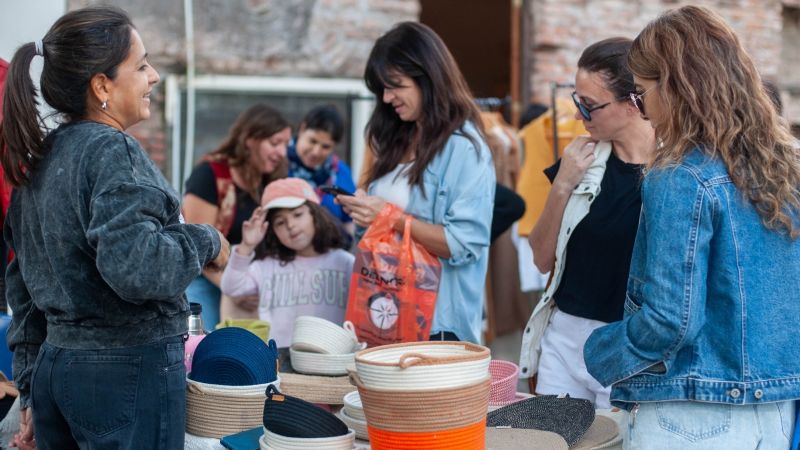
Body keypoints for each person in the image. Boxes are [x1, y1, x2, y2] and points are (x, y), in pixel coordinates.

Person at [0, 6, 229, 449]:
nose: (154, 76)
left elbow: (22, 288)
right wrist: (208, 239)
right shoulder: (112, 151)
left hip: (58, 372)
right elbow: (138, 269)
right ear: (102, 85)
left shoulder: (42, 159)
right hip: (125, 371)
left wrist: (30, 386)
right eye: (141, 65)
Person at [584, 6, 800, 449]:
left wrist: (600, 350)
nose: (644, 113)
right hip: (775, 410)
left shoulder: (682, 176)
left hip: (694, 413)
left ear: (676, 87)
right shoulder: (786, 168)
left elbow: (669, 320)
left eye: (642, 94)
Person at [518, 37, 656, 408]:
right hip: (565, 337)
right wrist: (562, 184)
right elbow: (542, 258)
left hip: (629, 344)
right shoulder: (582, 162)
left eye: (589, 105)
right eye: (577, 102)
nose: (579, 115)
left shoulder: (673, 172)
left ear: (633, 102)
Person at [337, 22, 495, 344]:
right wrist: (365, 209)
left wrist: (390, 216)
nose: (386, 97)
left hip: (435, 326)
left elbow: (462, 244)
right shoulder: (396, 138)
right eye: (382, 87)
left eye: (395, 85)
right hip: (383, 315)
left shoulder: (462, 148)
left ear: (428, 77)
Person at [220, 177, 353, 367]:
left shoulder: (345, 262)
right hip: (280, 362)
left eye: (298, 214)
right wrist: (247, 246)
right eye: (280, 222)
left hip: (333, 360)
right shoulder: (266, 265)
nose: (290, 225)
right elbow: (231, 287)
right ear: (271, 231)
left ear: (316, 214)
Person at [182, 103, 291, 327]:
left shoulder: (269, 181)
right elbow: (196, 245)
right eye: (275, 143)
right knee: (207, 348)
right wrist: (232, 286)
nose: (282, 152)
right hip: (206, 281)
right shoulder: (210, 174)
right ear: (250, 139)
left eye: (285, 144)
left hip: (249, 285)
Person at [287, 104, 356, 235]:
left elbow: (350, 222)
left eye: (325, 147)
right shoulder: (278, 164)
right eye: (312, 141)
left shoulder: (340, 172)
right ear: (302, 129)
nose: (316, 152)